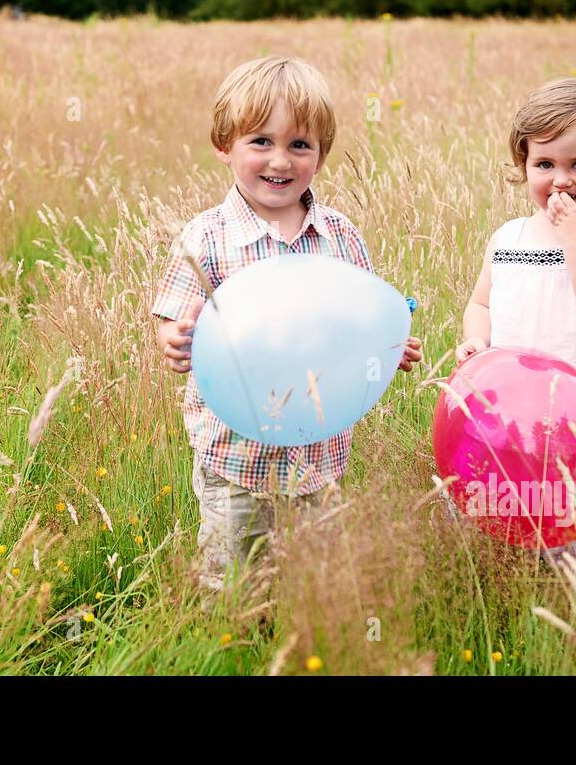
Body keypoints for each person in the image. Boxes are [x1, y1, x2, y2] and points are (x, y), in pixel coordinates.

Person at [151, 56, 423, 602]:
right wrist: (177, 339)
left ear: (321, 154)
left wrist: (387, 347)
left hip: (318, 457)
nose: (280, 160)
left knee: (313, 574)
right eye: (260, 142)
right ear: (224, 145)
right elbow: (173, 317)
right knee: (233, 578)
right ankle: (231, 645)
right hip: (236, 456)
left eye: (300, 145)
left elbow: (356, 319)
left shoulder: (339, 235)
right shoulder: (208, 237)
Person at [454, 78, 576, 563]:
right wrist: (477, 343)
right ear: (524, 166)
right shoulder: (508, 238)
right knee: (517, 512)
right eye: (545, 164)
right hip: (517, 417)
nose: (561, 180)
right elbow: (481, 303)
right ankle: (519, 579)